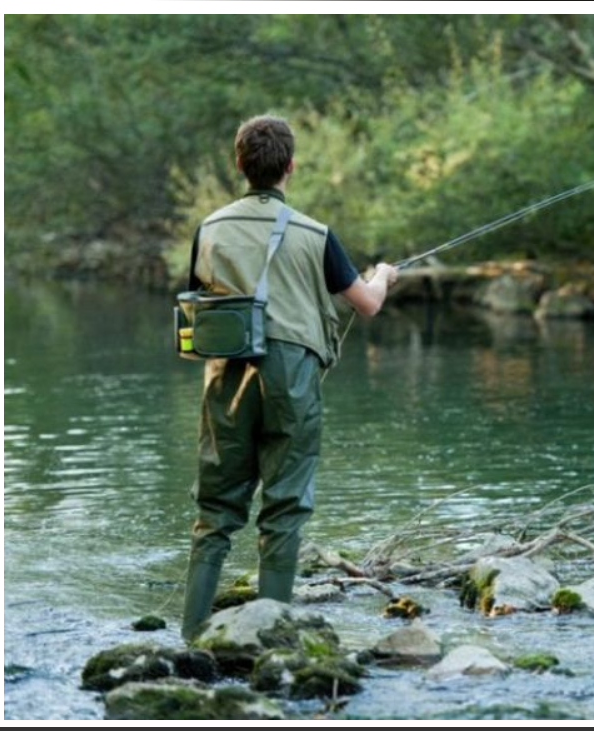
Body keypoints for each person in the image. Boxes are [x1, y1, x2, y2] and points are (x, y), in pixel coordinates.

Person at [180, 114, 398, 641]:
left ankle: (189, 639)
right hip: (292, 374)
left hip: (225, 376)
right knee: (285, 504)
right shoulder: (314, 233)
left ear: (239, 165)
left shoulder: (209, 228)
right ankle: (271, 640)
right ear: (290, 167)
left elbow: (198, 303)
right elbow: (366, 305)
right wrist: (384, 275)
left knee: (215, 510)